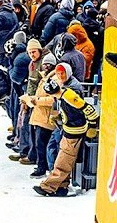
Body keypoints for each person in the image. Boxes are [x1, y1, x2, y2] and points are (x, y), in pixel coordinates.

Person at [35, 62, 100, 197]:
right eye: (58, 74)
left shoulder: (71, 92)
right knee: (64, 157)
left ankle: (48, 187)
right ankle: (62, 187)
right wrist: (60, 116)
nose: (60, 76)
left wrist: (92, 126)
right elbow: (68, 108)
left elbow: (86, 110)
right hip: (69, 127)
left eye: (62, 73)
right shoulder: (66, 87)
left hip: (74, 130)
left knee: (63, 160)